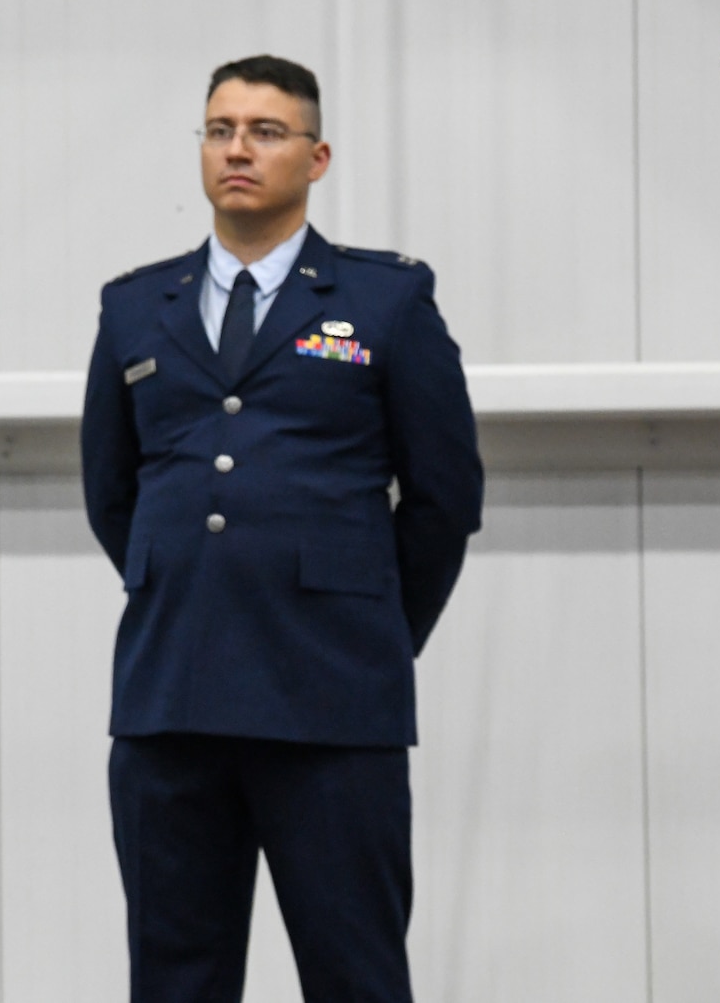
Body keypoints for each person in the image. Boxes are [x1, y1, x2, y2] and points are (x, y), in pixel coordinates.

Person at [81, 55, 482, 1003]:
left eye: (266, 131)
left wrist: (374, 631)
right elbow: (113, 491)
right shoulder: (136, 305)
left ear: (318, 155)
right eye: (220, 129)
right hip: (170, 701)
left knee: (357, 978)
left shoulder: (385, 301)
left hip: (333, 703)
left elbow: (444, 497)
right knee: (175, 981)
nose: (238, 149)